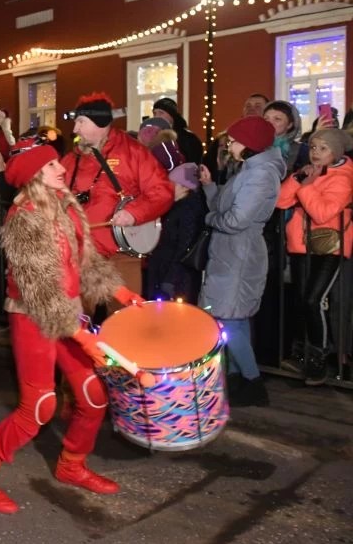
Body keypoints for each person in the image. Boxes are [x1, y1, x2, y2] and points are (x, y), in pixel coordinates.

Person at [0, 138, 143, 514]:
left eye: (58, 163)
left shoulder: (66, 206)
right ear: (34, 177)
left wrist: (122, 294)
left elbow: (87, 263)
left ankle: (72, 465)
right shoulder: (24, 219)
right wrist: (82, 337)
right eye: (51, 166)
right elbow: (40, 291)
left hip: (68, 313)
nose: (62, 169)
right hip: (33, 317)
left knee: (92, 395)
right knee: (39, 406)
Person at [198, 116, 285, 407]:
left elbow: (235, 219)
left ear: (248, 144)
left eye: (234, 140)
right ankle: (237, 378)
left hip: (240, 254)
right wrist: (210, 187)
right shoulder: (250, 169)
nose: (229, 145)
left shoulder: (261, 174)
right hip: (231, 252)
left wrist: (208, 219)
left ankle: (252, 381)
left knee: (228, 319)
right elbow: (227, 205)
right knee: (235, 317)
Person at [61, 92, 173, 297]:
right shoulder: (71, 159)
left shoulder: (133, 153)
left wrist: (134, 214)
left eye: (81, 122)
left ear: (100, 123)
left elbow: (162, 191)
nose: (75, 129)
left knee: (124, 319)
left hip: (121, 255)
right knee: (77, 321)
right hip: (80, 253)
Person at [276, 128, 353, 385]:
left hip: (329, 247)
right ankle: (304, 352)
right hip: (302, 246)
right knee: (301, 300)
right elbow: (281, 201)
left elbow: (323, 213)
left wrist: (307, 188)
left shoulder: (342, 178)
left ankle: (318, 359)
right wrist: (299, 180)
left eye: (323, 148)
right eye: (313, 147)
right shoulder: (308, 172)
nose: (316, 153)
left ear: (336, 152)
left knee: (313, 300)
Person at [145, 163, 205, 303]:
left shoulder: (189, 210)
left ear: (185, 187)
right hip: (163, 270)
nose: (168, 187)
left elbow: (184, 247)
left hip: (176, 279)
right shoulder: (174, 206)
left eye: (172, 184)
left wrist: (170, 280)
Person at [150, 98, 202, 164]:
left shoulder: (189, 138)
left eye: (161, 113)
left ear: (171, 115)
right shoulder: (153, 137)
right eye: (154, 113)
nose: (156, 116)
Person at [262, 100, 303, 174]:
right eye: (266, 119)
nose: (269, 123)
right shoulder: (255, 147)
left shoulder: (302, 150)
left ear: (289, 124)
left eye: (277, 119)